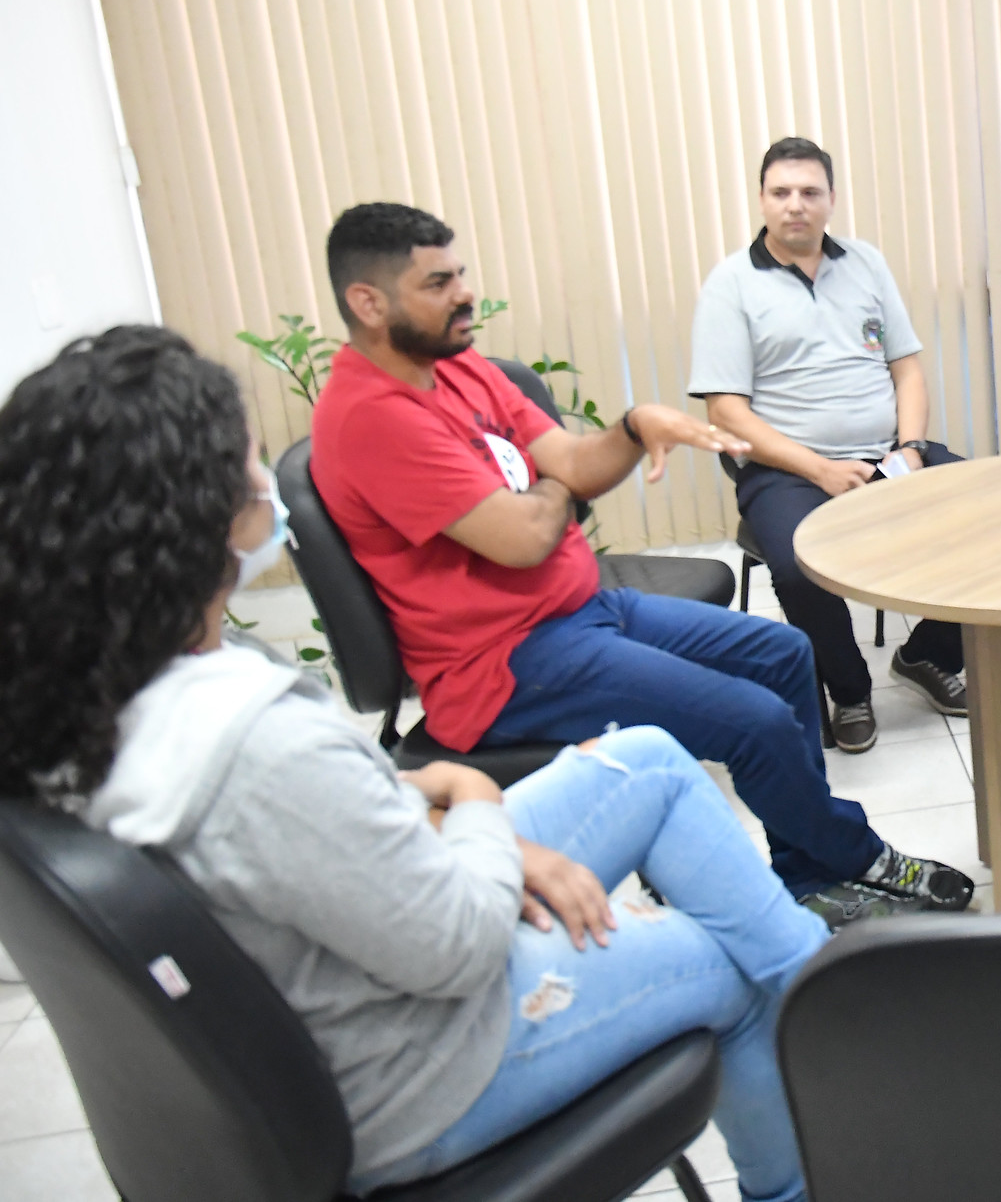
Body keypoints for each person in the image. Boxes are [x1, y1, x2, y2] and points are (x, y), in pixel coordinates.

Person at [0, 327, 829, 1200]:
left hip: (366, 952)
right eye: (246, 463)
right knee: (724, 961)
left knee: (648, 762)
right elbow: (458, 944)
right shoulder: (257, 740)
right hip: (419, 1067)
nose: (264, 483)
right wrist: (474, 800)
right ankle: (804, 1166)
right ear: (194, 517)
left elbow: (304, 824)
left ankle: (827, 992)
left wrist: (438, 807)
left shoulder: (84, 699)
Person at [310, 202, 970, 926]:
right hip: (503, 662)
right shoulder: (371, 415)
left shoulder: (456, 366)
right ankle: (853, 856)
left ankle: (808, 876)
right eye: (438, 284)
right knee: (753, 721)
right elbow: (526, 537)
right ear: (368, 303)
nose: (465, 294)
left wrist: (630, 428)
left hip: (580, 609)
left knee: (784, 655)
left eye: (459, 274)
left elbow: (567, 464)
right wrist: (560, 486)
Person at [692, 138, 967, 753]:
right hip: (786, 468)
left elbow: (907, 369)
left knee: (993, 512)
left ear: (831, 200)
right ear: (762, 200)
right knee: (798, 565)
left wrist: (910, 447)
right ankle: (849, 691)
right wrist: (818, 469)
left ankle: (927, 655)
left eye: (809, 192)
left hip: (887, 452)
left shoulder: (865, 263)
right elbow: (725, 410)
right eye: (781, 192)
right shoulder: (731, 283)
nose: (795, 205)